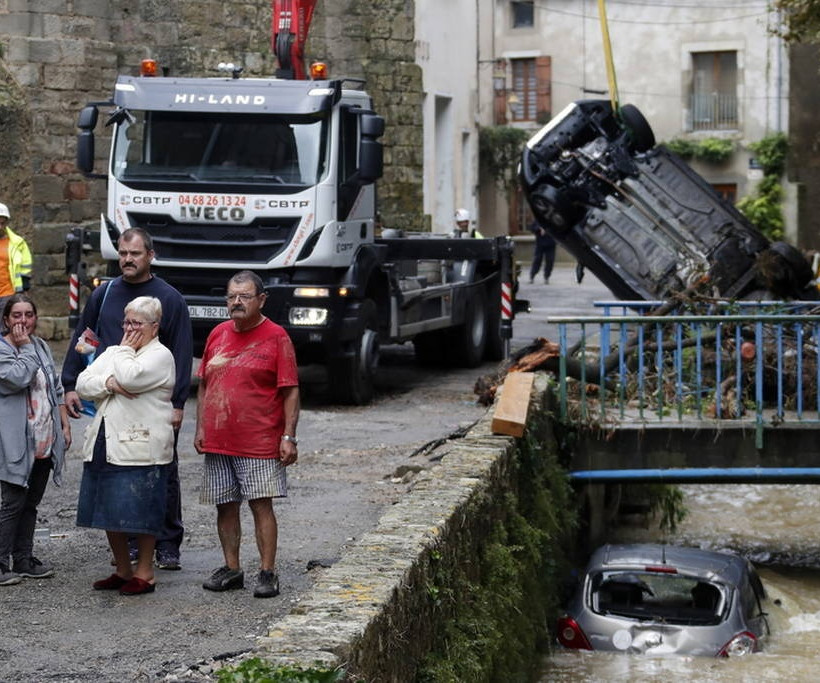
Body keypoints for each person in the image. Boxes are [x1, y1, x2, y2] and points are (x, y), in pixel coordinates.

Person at [61, 227, 192, 570]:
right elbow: (85, 336)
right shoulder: (104, 294)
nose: (127, 260)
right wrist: (70, 383)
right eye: (122, 253)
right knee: (119, 472)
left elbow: (181, 352)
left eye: (135, 254)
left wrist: (179, 403)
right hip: (112, 398)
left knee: (161, 472)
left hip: (152, 402)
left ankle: (167, 543)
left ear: (150, 255)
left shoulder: (169, 299)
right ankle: (131, 543)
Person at [194, 270, 299, 599]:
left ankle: (267, 572)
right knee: (224, 506)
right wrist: (201, 427)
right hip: (219, 439)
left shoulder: (277, 336)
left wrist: (289, 436)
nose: (237, 302)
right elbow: (204, 385)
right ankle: (232, 568)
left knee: (260, 505)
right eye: (231, 296)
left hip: (259, 440)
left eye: (245, 296)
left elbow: (290, 391)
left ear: (261, 300)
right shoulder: (218, 333)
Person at [75, 296, 176, 596]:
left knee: (142, 510)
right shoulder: (116, 351)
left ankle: (145, 573)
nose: (130, 329)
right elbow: (83, 383)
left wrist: (120, 358)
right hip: (106, 440)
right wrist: (108, 384)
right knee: (108, 508)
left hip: (142, 445)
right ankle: (123, 569)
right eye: (127, 322)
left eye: (137, 323)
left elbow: (131, 378)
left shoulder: (160, 356)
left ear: (154, 327)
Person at [0, 294, 70, 585]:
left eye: (28, 315)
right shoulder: (4, 349)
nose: (23, 321)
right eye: (16, 315)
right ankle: (1, 564)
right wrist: (26, 347)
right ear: (6, 320)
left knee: (31, 503)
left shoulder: (40, 346)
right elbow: (17, 378)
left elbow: (55, 387)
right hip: (14, 442)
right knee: (12, 503)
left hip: (43, 439)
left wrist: (64, 424)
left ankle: (24, 559)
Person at [0, 203, 33, 313]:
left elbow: (25, 268)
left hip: (8, 294)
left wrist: (24, 289)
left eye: (2, 223)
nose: (0, 227)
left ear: (7, 223)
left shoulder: (17, 243)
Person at [528, 219, 556, 284]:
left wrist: (548, 230)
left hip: (551, 244)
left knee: (550, 260)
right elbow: (532, 228)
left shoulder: (553, 219)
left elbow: (558, 228)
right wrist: (539, 229)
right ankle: (532, 275)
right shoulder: (539, 218)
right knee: (537, 259)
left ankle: (547, 276)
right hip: (540, 244)